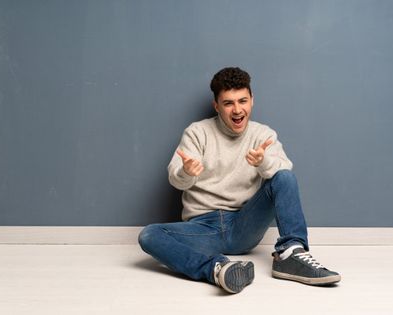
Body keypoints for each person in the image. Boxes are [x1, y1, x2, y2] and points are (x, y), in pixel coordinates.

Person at [138, 67, 341, 294]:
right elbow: (177, 181)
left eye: (242, 101)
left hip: (245, 225)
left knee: (284, 176)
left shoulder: (263, 135)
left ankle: (290, 254)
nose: (237, 110)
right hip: (203, 229)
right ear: (217, 106)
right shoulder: (197, 133)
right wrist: (187, 172)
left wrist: (263, 163)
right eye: (228, 103)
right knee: (149, 235)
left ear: (252, 100)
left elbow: (285, 177)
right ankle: (217, 269)